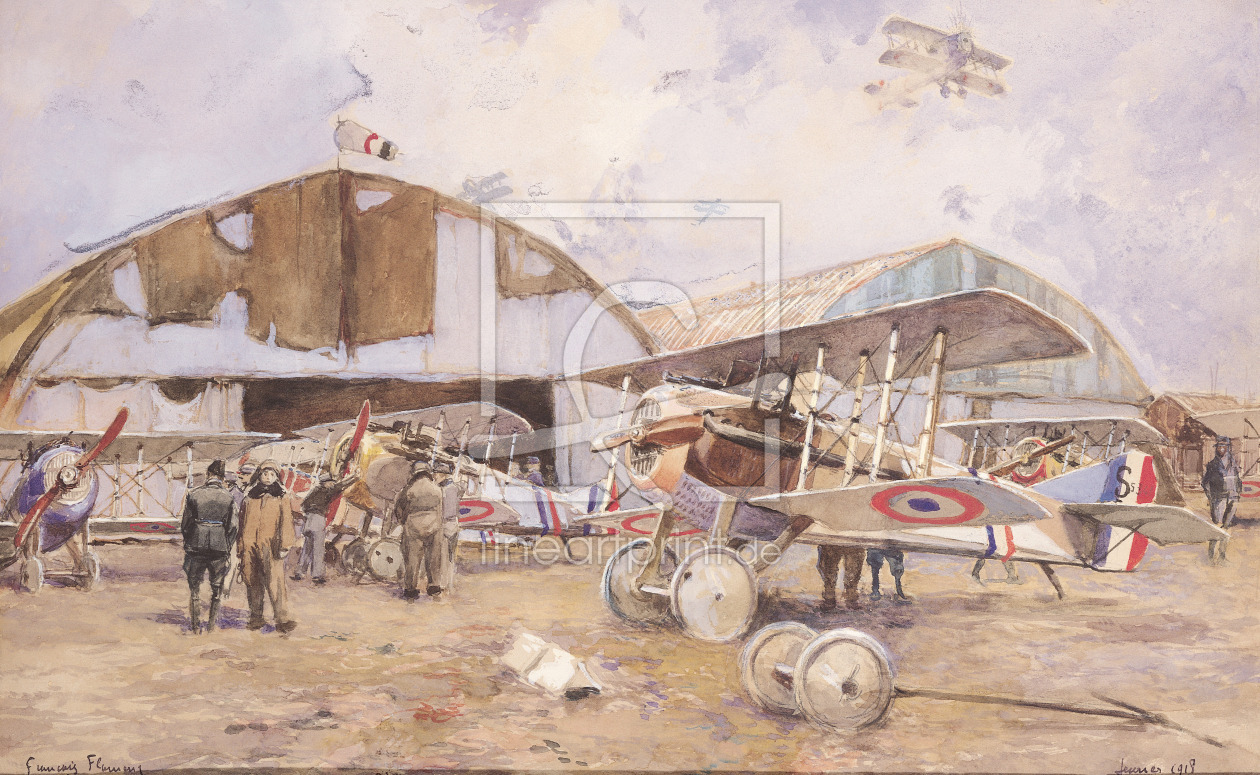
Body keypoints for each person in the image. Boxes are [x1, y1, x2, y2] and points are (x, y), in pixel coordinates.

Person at [238, 460, 299, 632]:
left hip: (271, 547)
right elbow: (241, 523)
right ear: (259, 475)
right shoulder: (249, 498)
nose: (268, 477)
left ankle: (282, 619)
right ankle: (256, 617)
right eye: (265, 474)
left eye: (272, 474)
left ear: (276, 477)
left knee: (275, 583)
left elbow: (286, 522)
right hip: (250, 546)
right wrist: (241, 546)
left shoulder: (281, 497)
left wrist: (285, 544)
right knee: (252, 581)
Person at [180, 459, 238, 633]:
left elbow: (185, 524)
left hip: (196, 545)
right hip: (219, 547)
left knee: (195, 588)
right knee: (216, 588)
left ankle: (195, 626)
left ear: (208, 475)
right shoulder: (229, 497)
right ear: (222, 477)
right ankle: (211, 626)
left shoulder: (194, 494)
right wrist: (226, 545)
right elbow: (233, 527)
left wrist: (190, 540)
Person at [293, 467, 357, 585]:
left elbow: (304, 505)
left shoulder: (314, 491)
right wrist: (354, 478)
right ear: (326, 483)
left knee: (307, 547)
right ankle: (317, 575)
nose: (332, 484)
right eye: (331, 482)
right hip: (318, 519)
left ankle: (300, 573)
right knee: (318, 548)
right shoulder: (326, 491)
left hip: (308, 520)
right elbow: (340, 486)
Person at [393, 461, 445, 600]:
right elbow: (440, 510)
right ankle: (434, 586)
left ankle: (410, 589)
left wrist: (403, 521)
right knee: (434, 558)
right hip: (434, 525)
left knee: (412, 559)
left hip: (414, 526)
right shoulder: (437, 489)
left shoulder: (409, 489)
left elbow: (399, 508)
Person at [1202, 436, 1240, 564]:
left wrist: (1237, 493)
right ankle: (1211, 556)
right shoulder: (1212, 464)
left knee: (1227, 527)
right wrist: (1211, 497)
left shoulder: (1233, 463)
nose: (1222, 448)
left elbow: (1237, 479)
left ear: (1228, 448)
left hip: (1233, 498)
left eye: (1224, 446)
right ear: (1217, 448)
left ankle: (1222, 556)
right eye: (1219, 446)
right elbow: (1205, 483)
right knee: (1217, 527)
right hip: (1219, 499)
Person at [817, 545, 864, 611]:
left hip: (853, 544)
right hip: (832, 543)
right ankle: (829, 598)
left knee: (853, 571)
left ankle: (851, 599)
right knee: (828, 570)